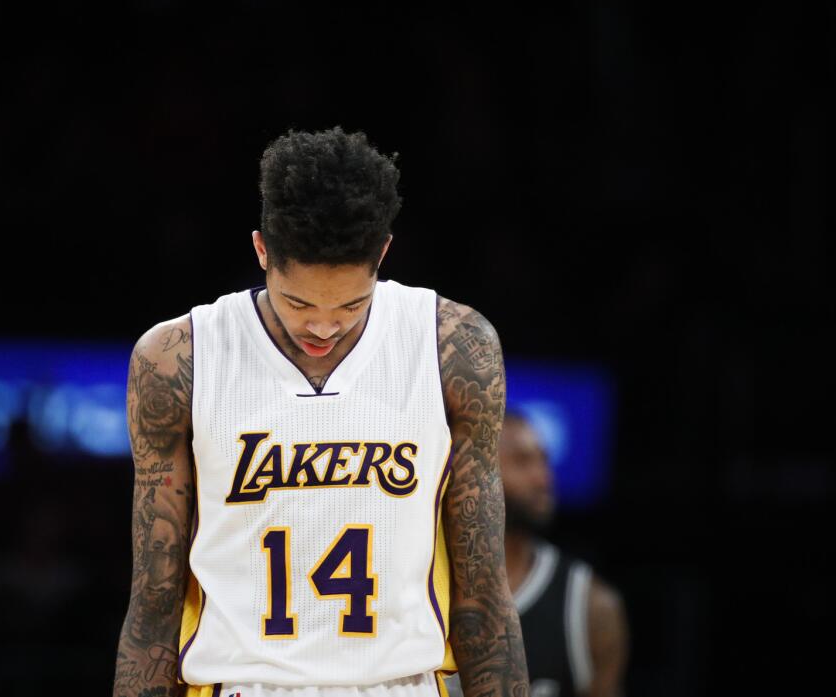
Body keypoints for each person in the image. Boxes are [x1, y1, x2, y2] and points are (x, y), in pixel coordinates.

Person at [113, 127, 528, 697]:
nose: (324, 326)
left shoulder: (453, 347)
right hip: (241, 684)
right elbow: (153, 602)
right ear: (262, 251)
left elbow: (483, 592)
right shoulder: (177, 358)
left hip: (399, 683)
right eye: (299, 302)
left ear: (382, 253)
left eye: (352, 305)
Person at [447, 412, 628, 697]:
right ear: (469, 471)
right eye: (522, 461)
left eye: (544, 461)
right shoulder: (421, 580)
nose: (542, 478)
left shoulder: (589, 605)